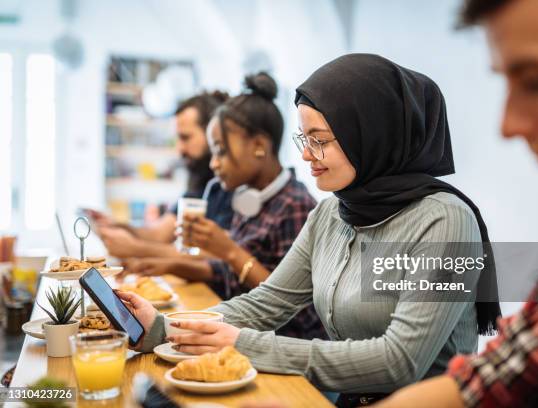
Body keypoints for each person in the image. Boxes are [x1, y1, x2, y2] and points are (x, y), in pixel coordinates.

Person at [117, 54, 501, 405]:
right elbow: (266, 303)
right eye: (305, 139)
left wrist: (243, 344)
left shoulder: (446, 221)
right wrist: (164, 327)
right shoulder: (332, 212)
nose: (304, 154)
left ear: (370, 135)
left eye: (320, 140)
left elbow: (399, 360)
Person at [370, 0, 538, 407]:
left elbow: (399, 358)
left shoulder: (445, 216)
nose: (508, 124)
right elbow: (499, 375)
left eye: (536, 81)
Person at [126, 72, 327, 341]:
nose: (214, 163)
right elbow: (231, 278)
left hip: (284, 346)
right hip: (243, 330)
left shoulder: (296, 206)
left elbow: (294, 306)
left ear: (258, 146)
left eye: (220, 150)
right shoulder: (248, 198)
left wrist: (230, 251)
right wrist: (171, 263)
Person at [92, 91, 234, 259]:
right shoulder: (201, 183)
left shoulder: (233, 188)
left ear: (213, 133)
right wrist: (118, 226)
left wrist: (136, 249)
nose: (179, 149)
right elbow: (159, 234)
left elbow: (219, 256)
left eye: (185, 138)